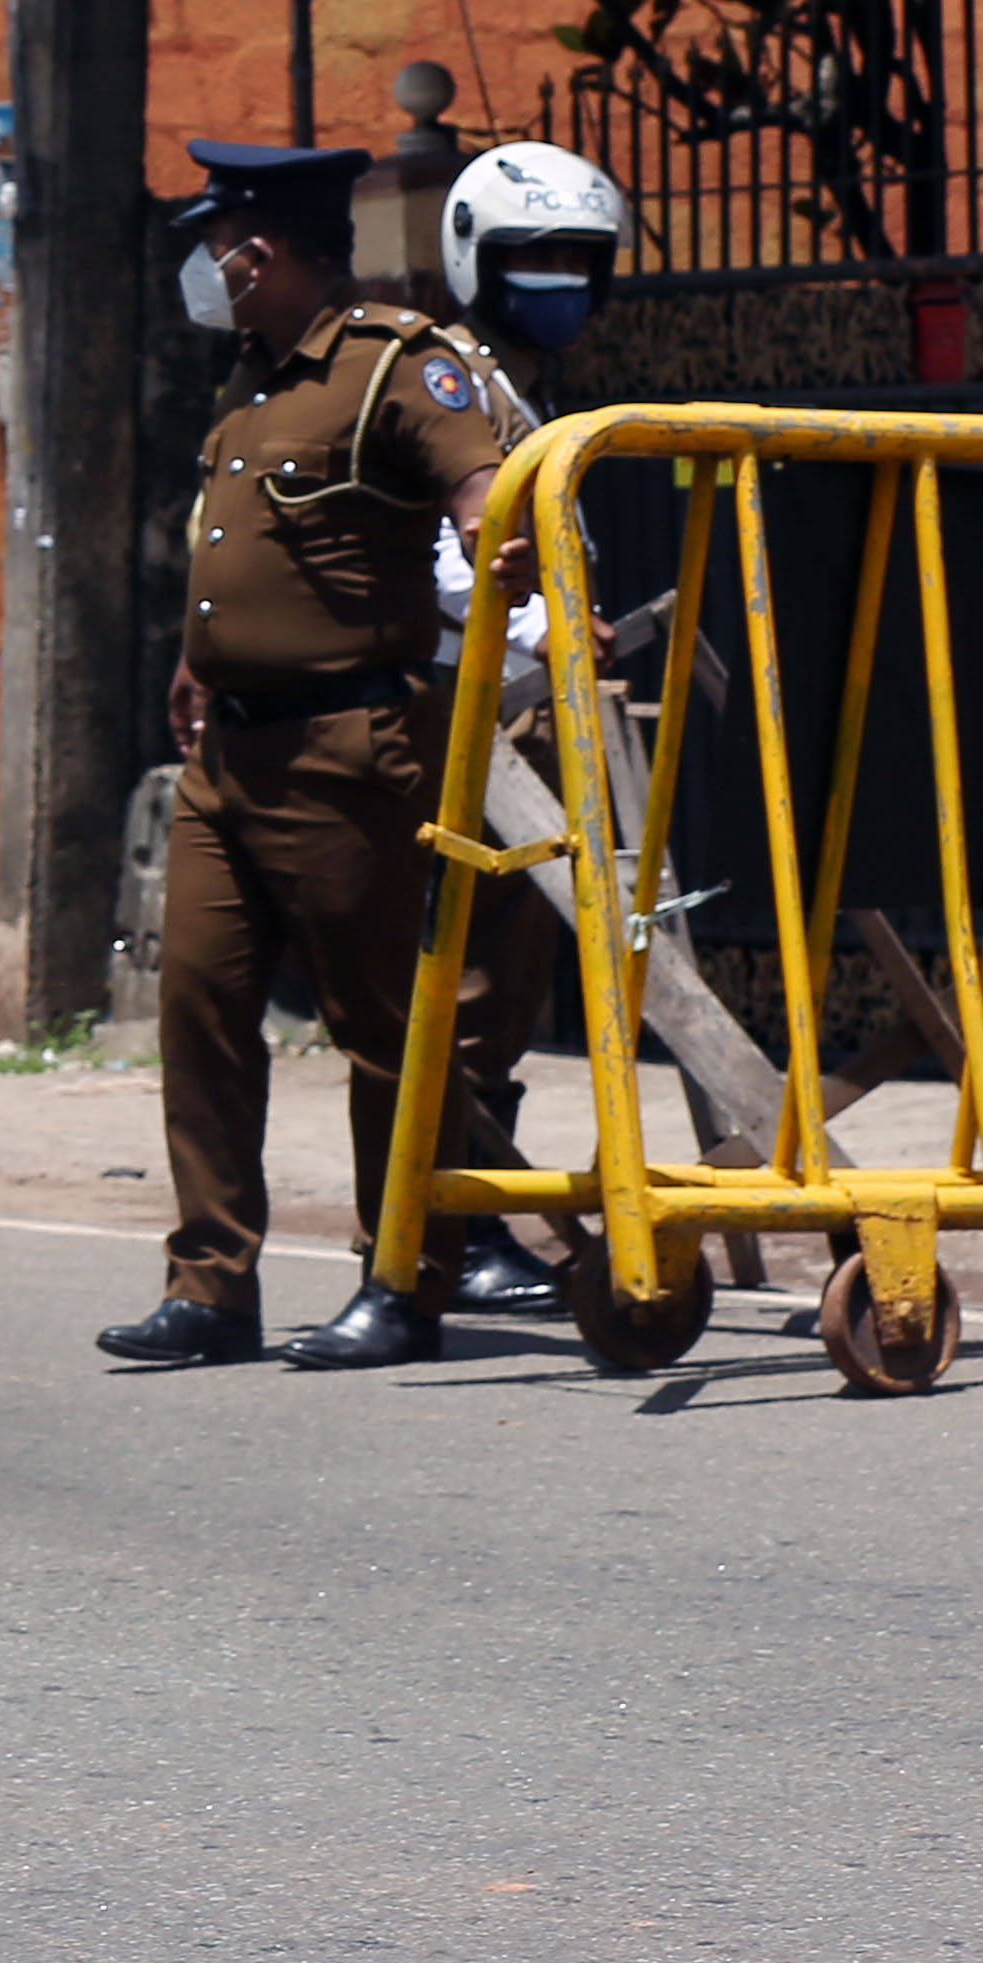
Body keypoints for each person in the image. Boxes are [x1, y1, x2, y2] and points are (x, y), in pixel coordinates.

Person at [97, 146, 537, 1373]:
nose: (206, 272)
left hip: (348, 750)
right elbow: (248, 550)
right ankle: (208, 1286)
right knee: (200, 1009)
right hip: (226, 755)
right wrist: (201, 654)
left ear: (264, 250)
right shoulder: (248, 385)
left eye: (217, 245)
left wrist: (500, 543)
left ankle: (405, 1278)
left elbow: (484, 484)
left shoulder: (394, 363)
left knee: (385, 1029)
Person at [418, 141, 640, 1315]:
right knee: (462, 988)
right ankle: (466, 1218)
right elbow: (450, 570)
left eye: (577, 260)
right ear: (476, 262)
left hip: (522, 719)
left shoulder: (525, 391)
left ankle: (479, 1214)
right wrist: (552, 627)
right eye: (534, 258)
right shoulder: (449, 381)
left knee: (507, 991)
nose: (559, 279)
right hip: (468, 722)